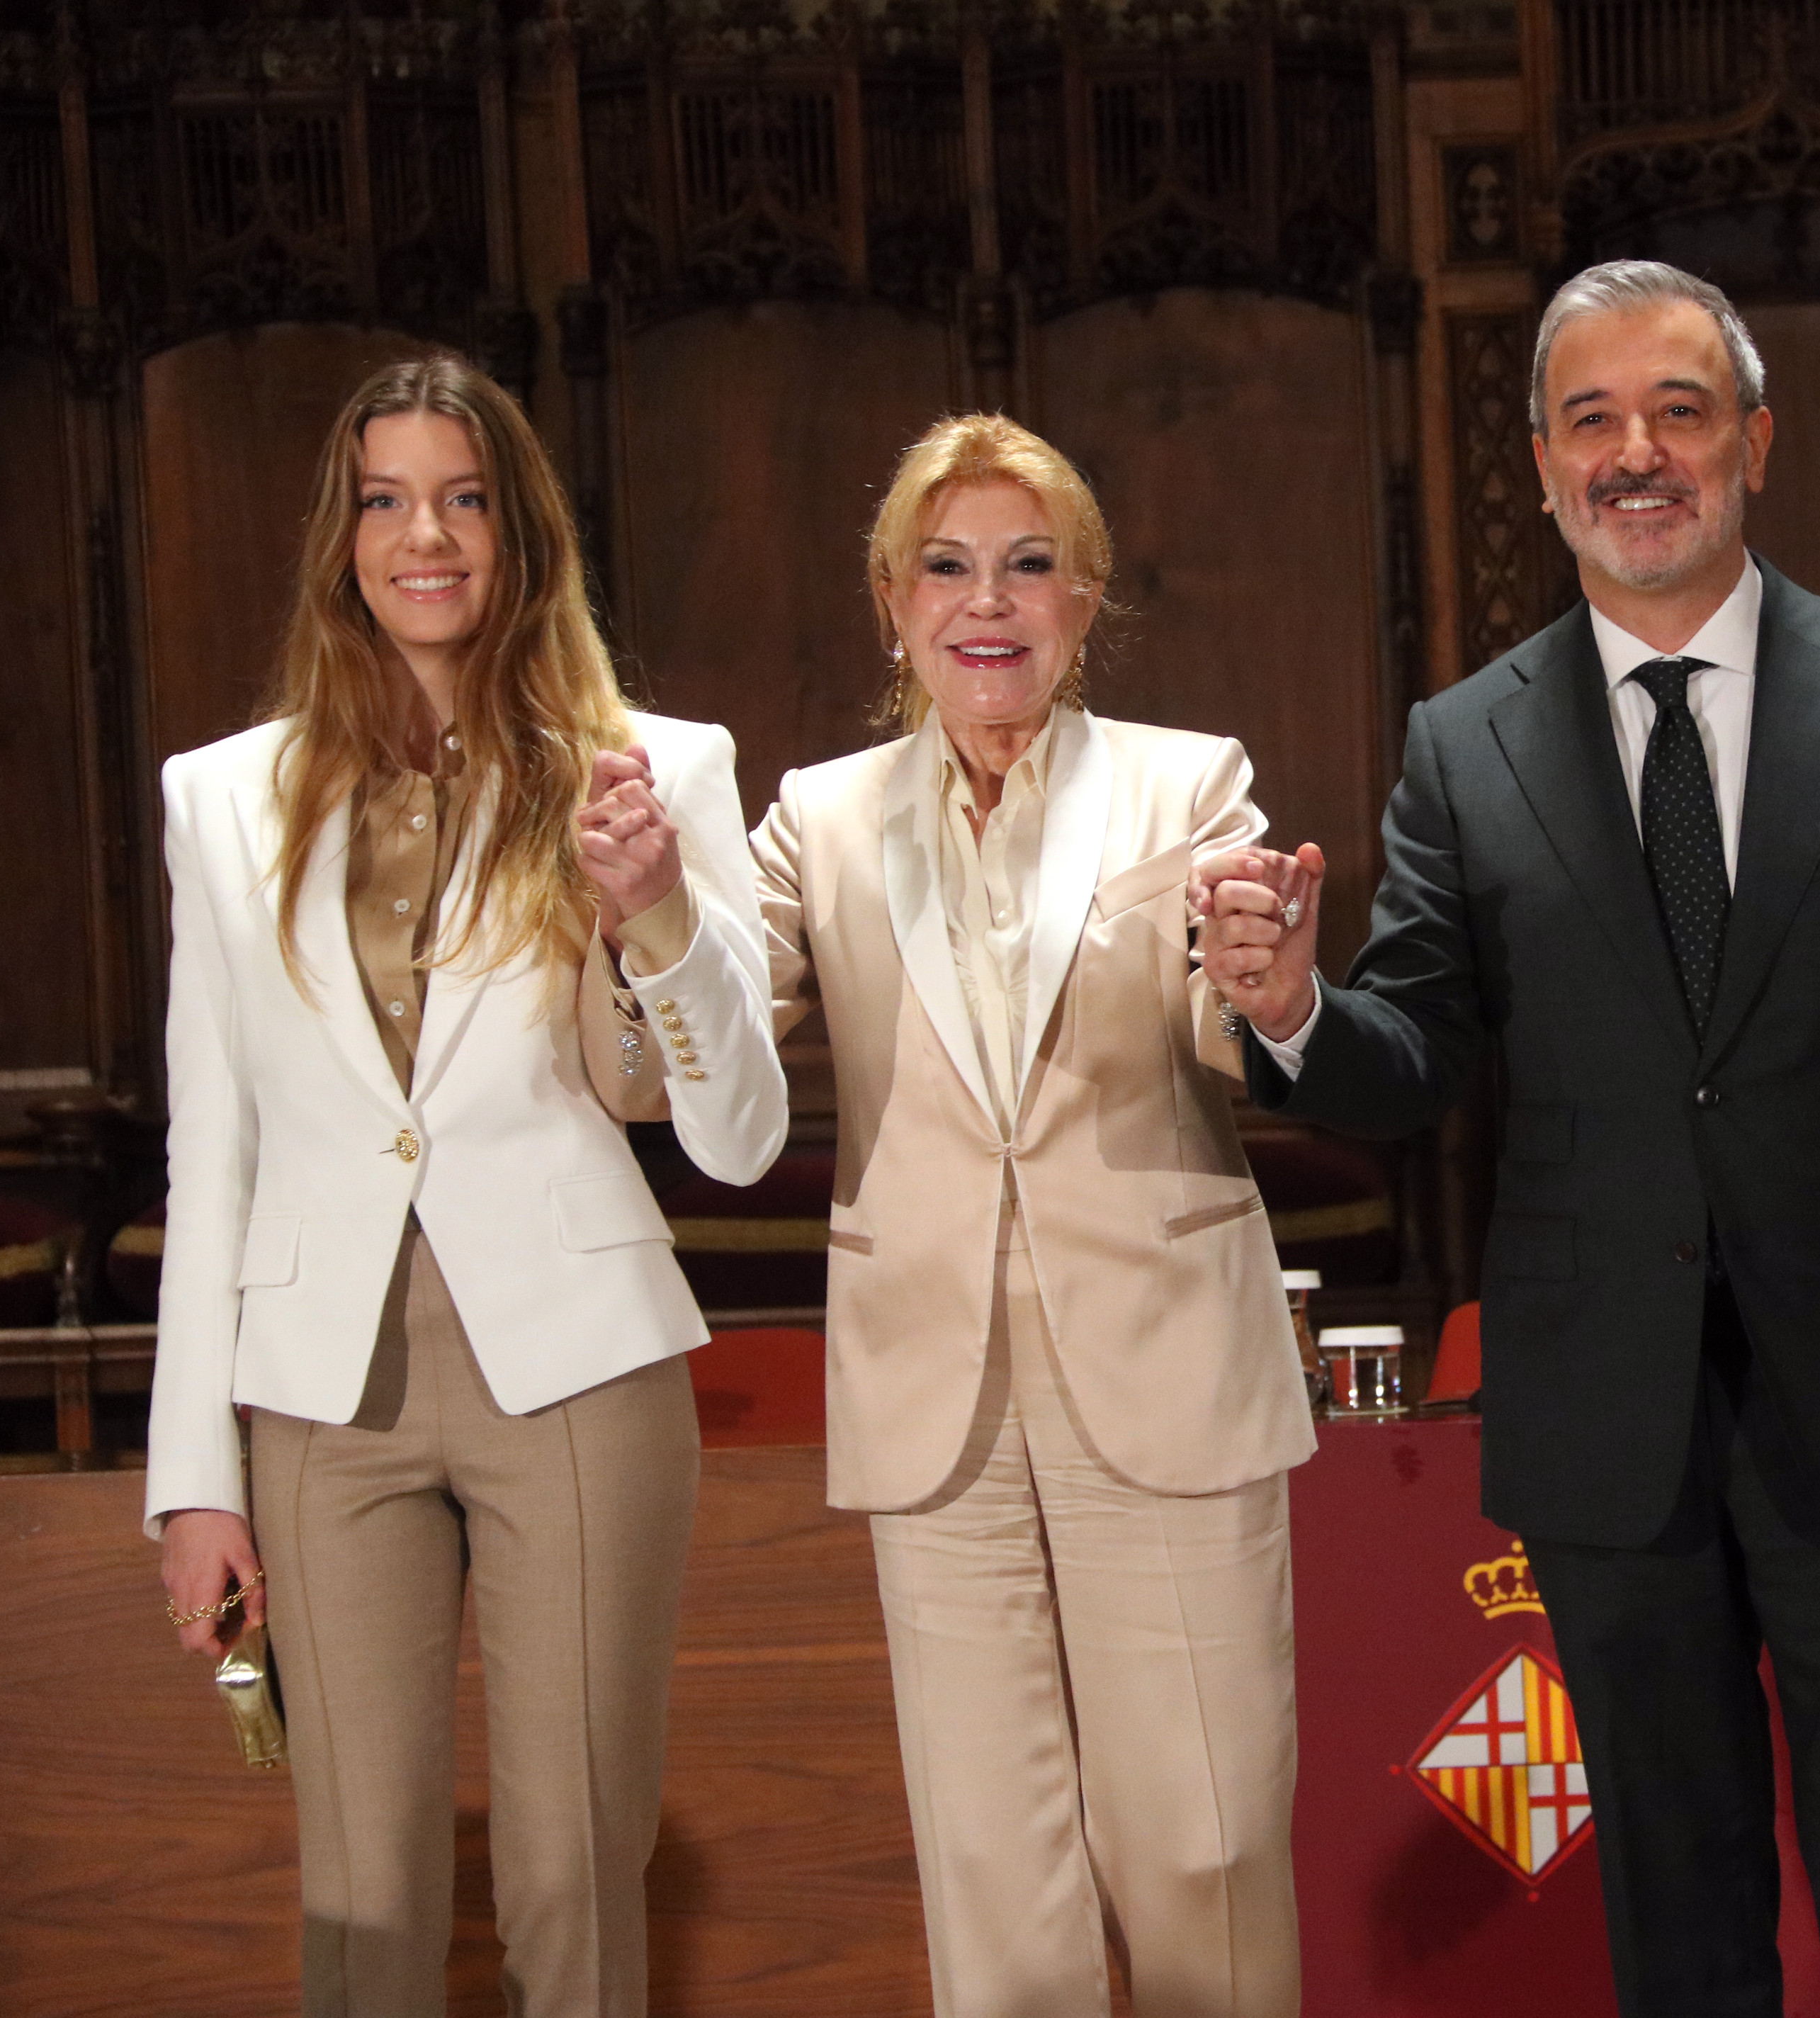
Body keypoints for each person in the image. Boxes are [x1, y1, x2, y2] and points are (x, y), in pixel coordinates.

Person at [1197, 259, 1820, 2017]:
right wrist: (1296, 1009)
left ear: (1755, 442)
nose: (1638, 454)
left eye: (1679, 412)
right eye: (1592, 421)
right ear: (1540, 464)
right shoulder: (1467, 744)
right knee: (1678, 1914)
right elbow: (1414, 1053)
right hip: (1608, 1418)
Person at [147, 352, 789, 2017]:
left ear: (521, 528)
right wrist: (188, 1474)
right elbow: (210, 1142)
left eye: (463, 496)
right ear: (339, 535)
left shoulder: (655, 764)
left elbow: (737, 1137)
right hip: (318, 1385)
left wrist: (655, 912)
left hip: (575, 1361)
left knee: (576, 1863)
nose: (422, 535)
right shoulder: (221, 799)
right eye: (384, 499)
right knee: (361, 1890)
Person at [742, 412, 1313, 2018]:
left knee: (1203, 1841)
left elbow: (1232, 1009)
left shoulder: (1187, 781)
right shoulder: (818, 817)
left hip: (1163, 1355)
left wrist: (1267, 983)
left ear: (1083, 601)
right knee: (993, 1876)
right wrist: (643, 915)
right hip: (936, 1377)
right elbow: (702, 1059)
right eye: (946, 565)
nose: (985, 601)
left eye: (1026, 565)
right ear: (891, 599)